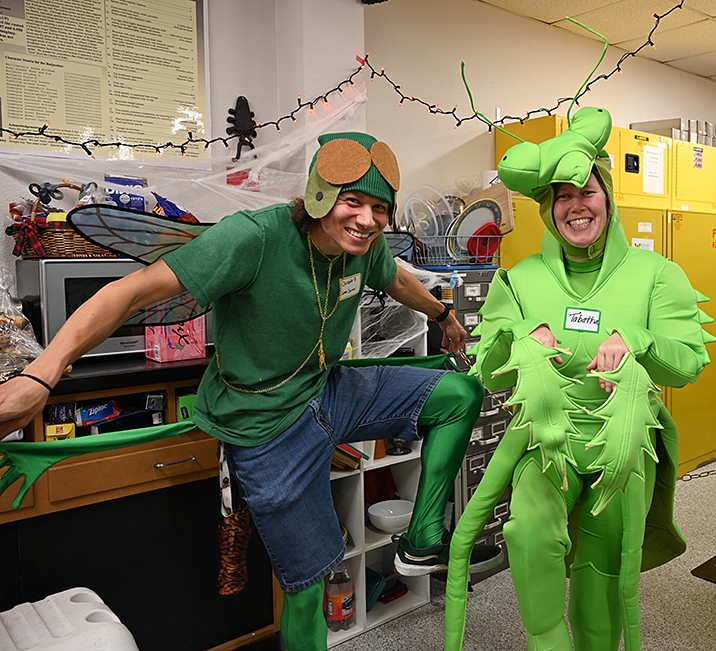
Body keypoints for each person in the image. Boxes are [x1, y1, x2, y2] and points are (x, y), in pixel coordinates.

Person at [0, 132, 502, 651]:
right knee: (309, 588)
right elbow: (127, 292)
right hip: (265, 427)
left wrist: (442, 315)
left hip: (328, 389)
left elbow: (396, 279)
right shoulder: (254, 237)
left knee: (458, 395)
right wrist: (43, 373)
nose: (367, 219)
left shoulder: (365, 249)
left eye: (379, 208)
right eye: (353, 201)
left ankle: (422, 540)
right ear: (320, 196)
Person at [444, 107, 712, 651]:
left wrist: (638, 340)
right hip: (546, 447)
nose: (576, 205)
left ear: (607, 197)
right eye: (561, 196)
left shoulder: (657, 275)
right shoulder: (519, 279)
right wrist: (522, 338)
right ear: (548, 210)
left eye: (586, 191)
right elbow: (490, 372)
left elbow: (687, 364)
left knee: (602, 573)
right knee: (527, 533)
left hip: (622, 449)